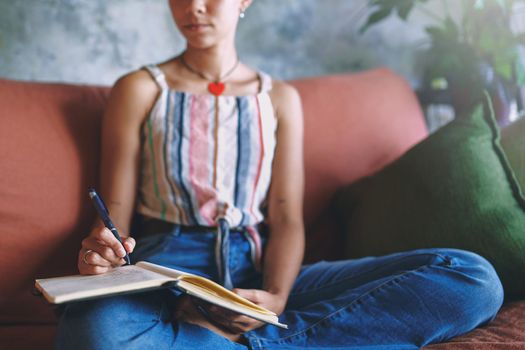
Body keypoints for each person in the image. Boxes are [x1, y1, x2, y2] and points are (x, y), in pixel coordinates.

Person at [56, 0, 504, 349]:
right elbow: (112, 214)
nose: (193, 6)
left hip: (258, 269)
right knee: (94, 334)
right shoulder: (140, 89)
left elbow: (287, 219)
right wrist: (101, 251)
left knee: (473, 278)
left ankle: (237, 338)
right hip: (167, 270)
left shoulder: (279, 99)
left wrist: (276, 296)